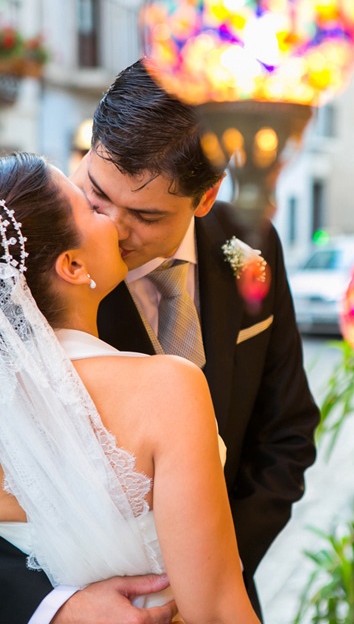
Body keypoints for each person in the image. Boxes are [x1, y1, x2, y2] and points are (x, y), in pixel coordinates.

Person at [0, 61, 319, 624]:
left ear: (205, 197)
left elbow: (286, 431)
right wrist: (55, 609)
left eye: (145, 215)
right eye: (97, 194)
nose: (115, 227)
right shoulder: (34, 287)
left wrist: (205, 565)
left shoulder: (253, 247)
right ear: (90, 147)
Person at [0, 153, 259, 623]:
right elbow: (218, 611)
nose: (116, 222)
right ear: (74, 266)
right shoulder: (169, 389)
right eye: (93, 207)